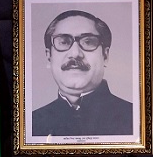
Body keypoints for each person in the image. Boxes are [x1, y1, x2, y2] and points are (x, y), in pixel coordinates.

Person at [32, 9, 133, 137]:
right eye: (63, 42)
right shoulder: (32, 125)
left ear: (105, 56)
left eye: (88, 42)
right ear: (49, 57)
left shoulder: (134, 119)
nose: (75, 54)